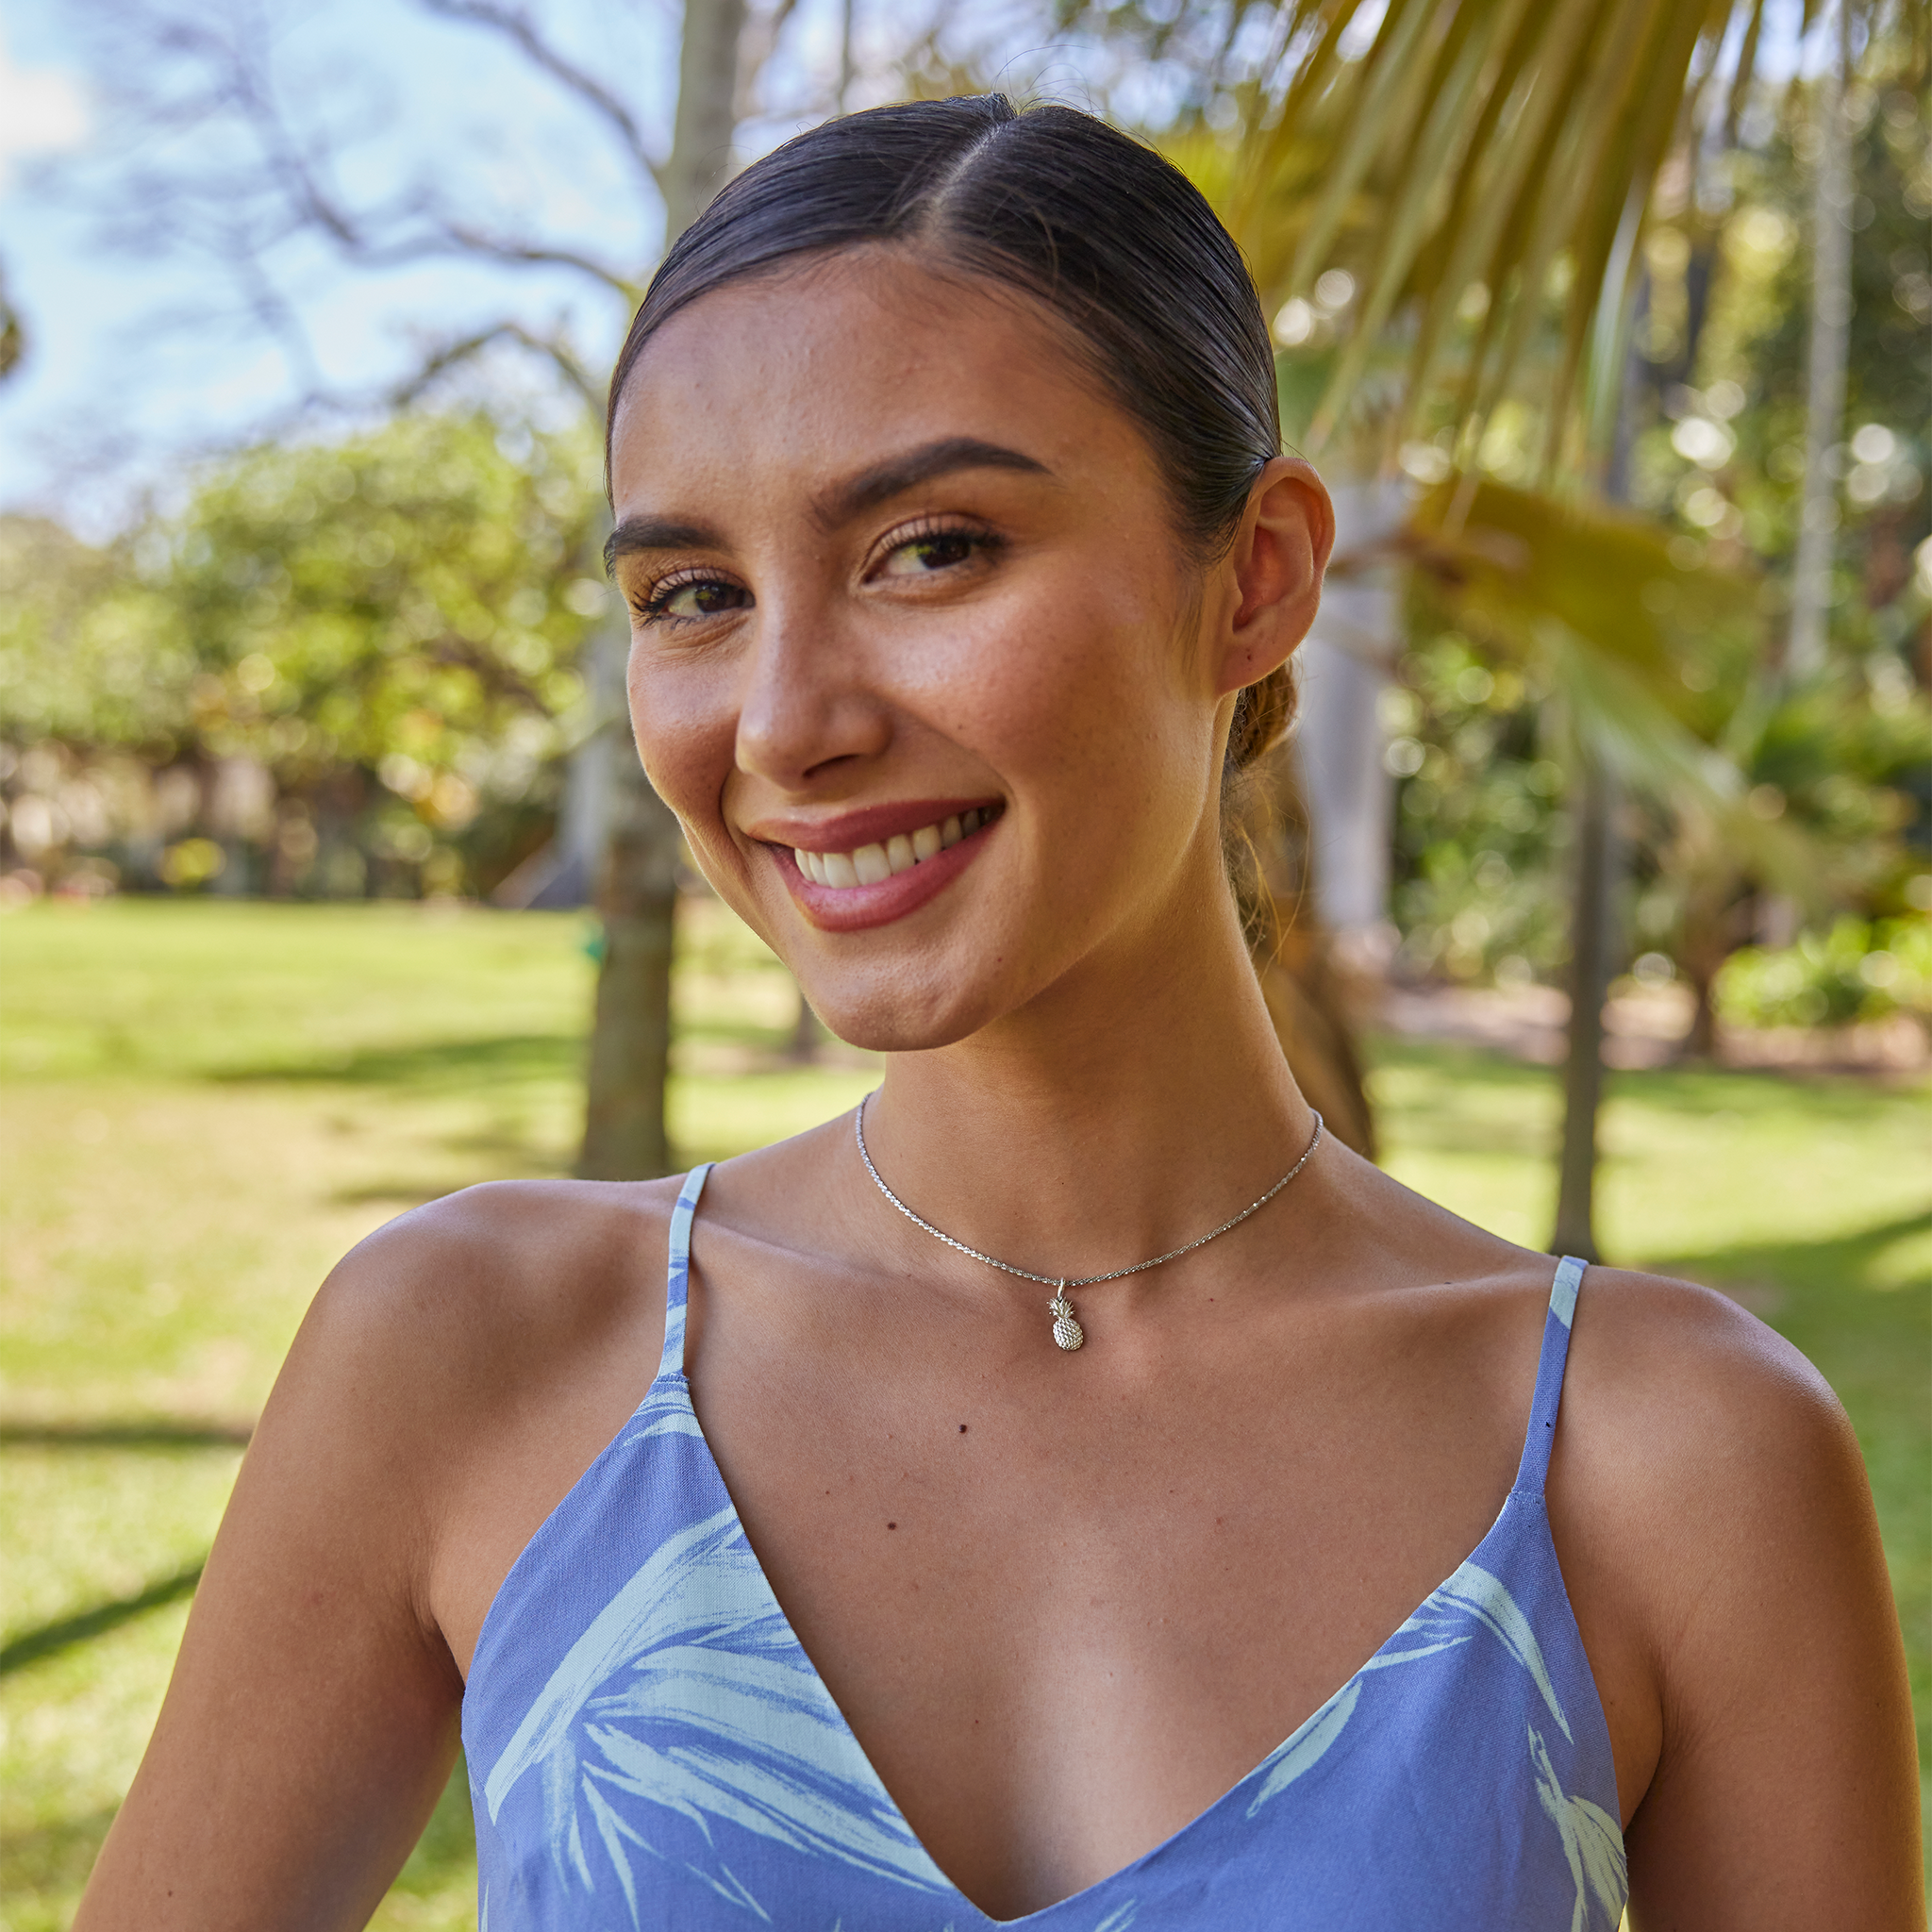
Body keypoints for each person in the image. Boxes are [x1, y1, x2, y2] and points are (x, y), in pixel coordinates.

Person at [76, 96, 1920, 1931]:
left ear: (1256, 576)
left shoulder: (1668, 1463)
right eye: (695, 593)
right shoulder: (470, 1358)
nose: (787, 722)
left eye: (929, 548)